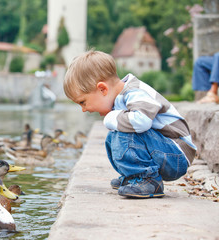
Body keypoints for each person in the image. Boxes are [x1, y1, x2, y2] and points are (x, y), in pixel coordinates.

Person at [63, 50, 197, 199]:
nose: (83, 109)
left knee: (125, 131)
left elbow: (142, 121)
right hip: (164, 151)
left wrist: (111, 117)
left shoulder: (135, 92)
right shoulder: (121, 97)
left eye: (83, 102)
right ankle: (133, 175)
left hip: (177, 155)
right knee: (113, 135)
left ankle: (148, 180)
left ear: (102, 89)